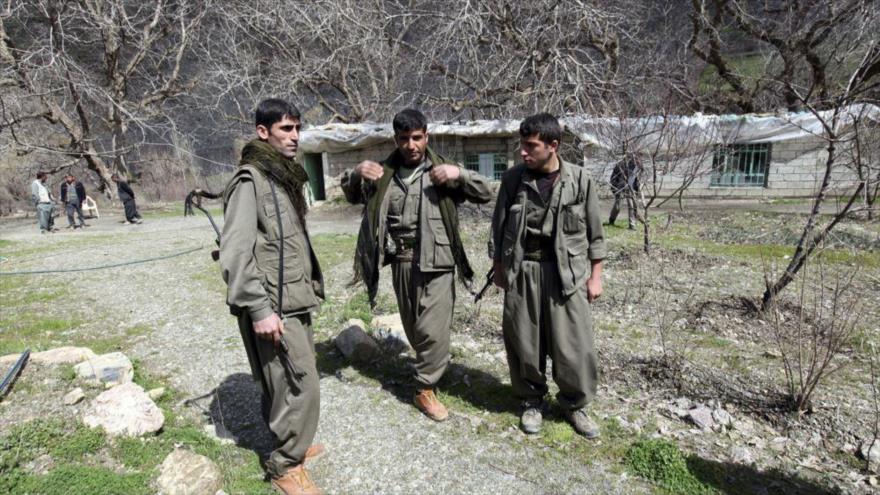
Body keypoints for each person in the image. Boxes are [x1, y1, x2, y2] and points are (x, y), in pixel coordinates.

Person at [341, 108, 493, 422]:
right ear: (395, 139)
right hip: (402, 261)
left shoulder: (442, 171)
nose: (411, 145)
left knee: (432, 330)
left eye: (417, 137)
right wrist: (356, 173)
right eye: (404, 139)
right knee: (413, 327)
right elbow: (353, 196)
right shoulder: (382, 174)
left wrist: (459, 175)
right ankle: (431, 367)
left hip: (438, 261)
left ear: (427, 135)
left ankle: (424, 387)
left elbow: (485, 192)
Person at [219, 98, 325, 495]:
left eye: (297, 128)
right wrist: (260, 308)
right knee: (301, 384)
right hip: (272, 305)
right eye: (286, 129)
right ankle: (285, 465)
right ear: (263, 132)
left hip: (294, 298)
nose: (295, 136)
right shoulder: (251, 180)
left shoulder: (280, 177)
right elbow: (235, 252)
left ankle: (292, 443)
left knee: (286, 381)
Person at [490, 113, 606, 438]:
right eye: (521, 145)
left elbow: (596, 235)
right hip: (523, 270)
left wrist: (595, 277)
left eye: (530, 146)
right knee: (525, 341)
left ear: (553, 146)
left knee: (574, 345)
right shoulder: (513, 180)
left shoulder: (580, 181)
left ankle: (575, 405)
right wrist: (500, 270)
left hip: (566, 275)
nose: (522, 152)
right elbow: (498, 230)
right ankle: (531, 400)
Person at [607, 154, 640, 230]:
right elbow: (613, 177)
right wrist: (615, 188)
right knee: (618, 206)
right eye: (636, 157)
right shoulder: (621, 164)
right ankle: (611, 220)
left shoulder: (639, 166)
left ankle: (632, 225)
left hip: (631, 188)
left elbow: (637, 179)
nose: (637, 159)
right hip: (620, 187)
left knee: (632, 206)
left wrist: (636, 189)